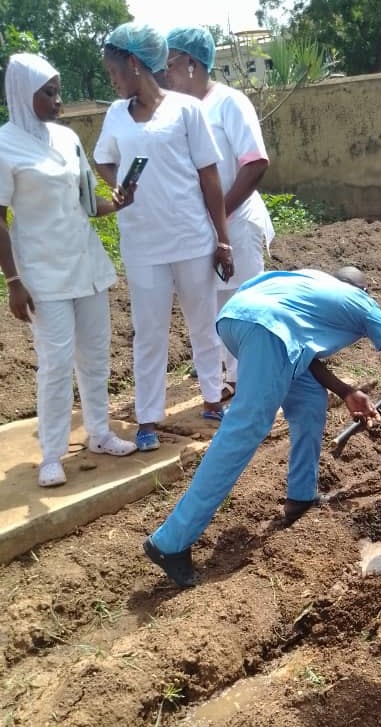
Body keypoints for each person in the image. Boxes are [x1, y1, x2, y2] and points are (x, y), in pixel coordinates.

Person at [143, 267, 381, 587]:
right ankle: (171, 541)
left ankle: (300, 497)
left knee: (308, 403)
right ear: (363, 290)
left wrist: (347, 392)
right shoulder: (364, 303)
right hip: (268, 329)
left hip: (238, 319)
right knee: (245, 429)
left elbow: (304, 353)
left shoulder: (312, 281)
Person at [94, 22, 233, 452]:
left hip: (190, 237)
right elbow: (103, 160)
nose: (112, 79)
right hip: (141, 244)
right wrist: (118, 186)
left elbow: (209, 176)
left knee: (202, 323)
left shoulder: (185, 110)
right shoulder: (116, 115)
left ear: (134, 63)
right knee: (149, 332)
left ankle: (212, 397)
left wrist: (222, 238)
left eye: (114, 71)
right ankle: (148, 417)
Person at [0, 53, 137, 488]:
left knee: (95, 357)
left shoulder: (67, 138)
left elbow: (84, 203)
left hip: (86, 263)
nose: (59, 101)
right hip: (40, 273)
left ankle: (99, 433)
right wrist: (13, 281)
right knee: (56, 362)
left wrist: (114, 203)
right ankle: (52, 454)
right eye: (49, 93)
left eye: (59, 91)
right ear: (24, 95)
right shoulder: (4, 146)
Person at [164, 26, 276, 402]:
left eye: (172, 63)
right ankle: (234, 379)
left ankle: (257, 383)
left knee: (245, 305)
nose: (165, 72)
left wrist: (219, 217)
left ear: (193, 64)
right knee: (216, 308)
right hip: (201, 230)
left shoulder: (228, 102)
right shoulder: (178, 110)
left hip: (236, 223)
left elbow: (255, 162)